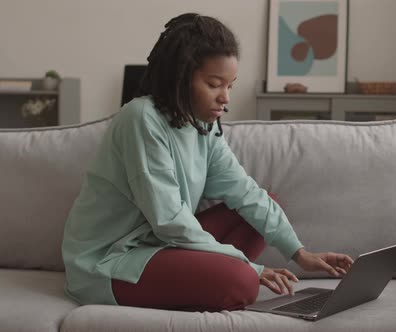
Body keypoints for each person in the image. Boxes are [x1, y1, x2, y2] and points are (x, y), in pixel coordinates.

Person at [62, 13, 353, 312]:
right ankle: (217, 279)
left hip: (160, 246)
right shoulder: (141, 118)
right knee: (242, 282)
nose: (225, 98)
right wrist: (249, 267)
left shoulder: (204, 125)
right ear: (181, 76)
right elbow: (170, 220)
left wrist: (301, 253)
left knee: (262, 206)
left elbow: (245, 192)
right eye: (214, 84)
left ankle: (206, 277)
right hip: (111, 260)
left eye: (230, 85)